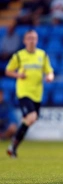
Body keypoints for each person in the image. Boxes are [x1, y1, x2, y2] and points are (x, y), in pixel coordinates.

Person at [5, 29, 54, 158]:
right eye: (29, 38)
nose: (32, 40)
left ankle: (13, 147)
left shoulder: (42, 55)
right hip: (23, 92)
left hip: (37, 94)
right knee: (31, 117)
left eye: (34, 38)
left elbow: (49, 71)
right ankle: (13, 144)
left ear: (37, 40)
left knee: (29, 120)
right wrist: (18, 74)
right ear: (24, 41)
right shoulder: (19, 56)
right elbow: (8, 71)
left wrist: (50, 76)